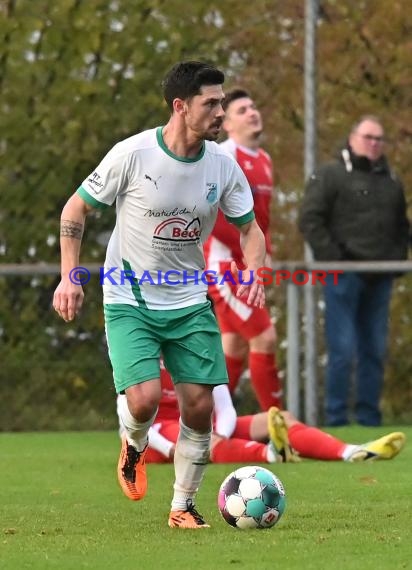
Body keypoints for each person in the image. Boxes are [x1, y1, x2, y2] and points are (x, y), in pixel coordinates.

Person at [53, 61, 267, 529]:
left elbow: (250, 229)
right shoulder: (132, 154)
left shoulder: (222, 168)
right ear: (180, 106)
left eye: (222, 101)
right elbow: (76, 208)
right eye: (210, 103)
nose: (220, 111)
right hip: (129, 297)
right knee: (145, 400)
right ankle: (133, 444)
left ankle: (182, 507)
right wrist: (70, 277)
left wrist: (254, 271)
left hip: (189, 299)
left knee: (199, 406)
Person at [299, 115, 410, 427]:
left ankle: (368, 419)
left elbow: (402, 226)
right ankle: (335, 419)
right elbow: (310, 219)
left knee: (374, 349)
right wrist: (335, 260)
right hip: (342, 275)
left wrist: (397, 260)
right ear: (352, 137)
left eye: (379, 138)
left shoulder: (391, 180)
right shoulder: (330, 174)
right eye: (368, 137)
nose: (374, 143)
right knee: (342, 350)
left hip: (380, 276)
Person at [117, 363, 406, 464]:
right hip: (154, 438)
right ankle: (270, 455)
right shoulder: (138, 349)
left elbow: (225, 407)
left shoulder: (197, 344)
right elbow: (128, 420)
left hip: (199, 424)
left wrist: (220, 432)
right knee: (203, 442)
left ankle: (350, 451)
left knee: (281, 417)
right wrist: (171, 449)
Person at [204, 88, 282, 411]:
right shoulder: (223, 157)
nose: (252, 112)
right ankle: (277, 422)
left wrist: (267, 252)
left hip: (249, 267)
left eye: (253, 106)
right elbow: (211, 215)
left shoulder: (264, 160)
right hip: (225, 267)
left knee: (233, 346)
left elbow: (261, 218)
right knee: (265, 337)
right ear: (228, 125)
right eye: (242, 110)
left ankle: (207, 425)